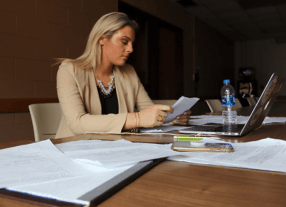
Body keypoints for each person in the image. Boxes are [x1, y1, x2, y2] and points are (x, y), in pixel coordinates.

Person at [55, 12, 191, 138]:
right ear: (102, 39)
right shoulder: (68, 70)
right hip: (74, 151)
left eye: (132, 43)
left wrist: (173, 118)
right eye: (124, 42)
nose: (130, 49)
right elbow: (77, 123)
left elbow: (148, 111)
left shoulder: (129, 72)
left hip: (118, 150)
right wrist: (137, 119)